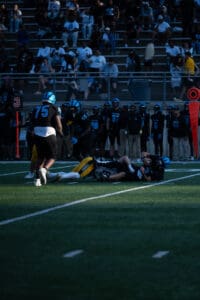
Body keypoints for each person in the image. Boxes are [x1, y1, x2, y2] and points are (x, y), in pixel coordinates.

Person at [49, 152, 170, 182]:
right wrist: (147, 159)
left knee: (79, 174)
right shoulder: (153, 161)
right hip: (132, 169)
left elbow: (149, 179)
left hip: (133, 174)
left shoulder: (159, 173)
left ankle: (54, 175)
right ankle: (56, 175)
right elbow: (144, 155)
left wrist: (143, 173)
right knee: (124, 159)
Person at [31, 91, 63, 186]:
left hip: (37, 132)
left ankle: (37, 179)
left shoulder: (36, 108)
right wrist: (61, 133)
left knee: (40, 157)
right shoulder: (54, 107)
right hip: (49, 131)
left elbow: (32, 122)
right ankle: (44, 169)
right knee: (52, 156)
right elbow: (58, 124)